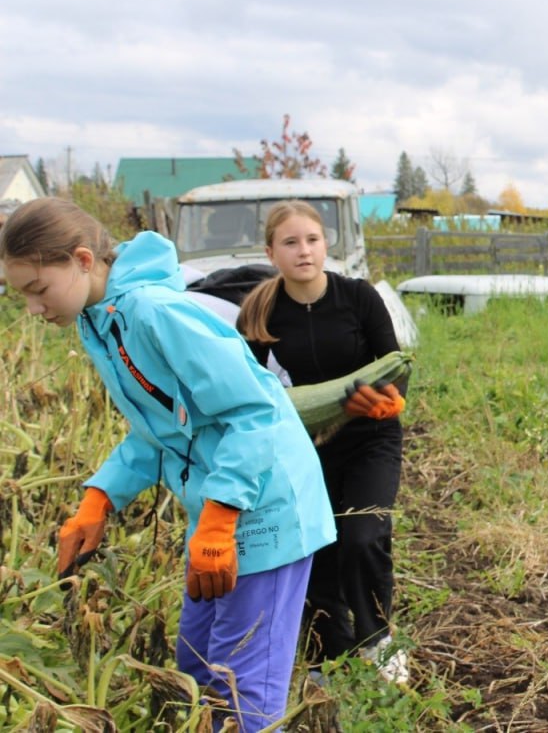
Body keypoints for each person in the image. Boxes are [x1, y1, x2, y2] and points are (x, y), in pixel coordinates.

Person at [0, 197, 336, 733]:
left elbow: (256, 410)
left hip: (264, 505)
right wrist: (100, 498)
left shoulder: (157, 313)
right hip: (216, 508)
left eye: (37, 290)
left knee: (237, 691)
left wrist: (223, 516)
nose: (34, 310)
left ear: (83, 260)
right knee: (194, 668)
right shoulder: (101, 322)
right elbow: (160, 430)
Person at [236, 200, 409, 684]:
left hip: (370, 438)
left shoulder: (358, 299)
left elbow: (393, 365)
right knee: (314, 548)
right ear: (271, 252)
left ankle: (378, 639)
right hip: (303, 445)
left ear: (325, 244)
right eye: (290, 242)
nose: (303, 251)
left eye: (311, 240)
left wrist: (388, 400)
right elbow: (246, 386)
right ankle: (326, 654)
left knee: (363, 535)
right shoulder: (260, 310)